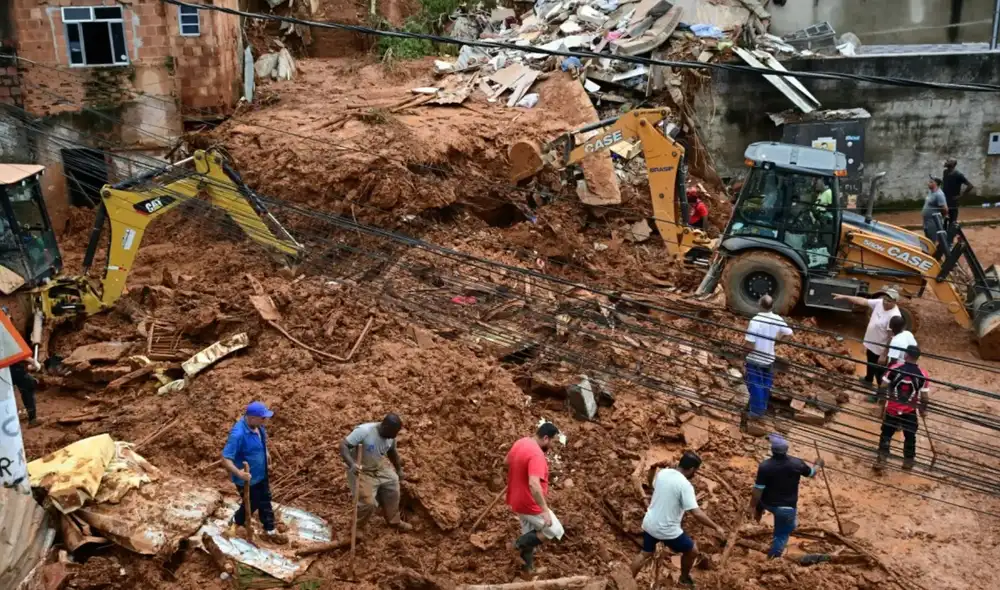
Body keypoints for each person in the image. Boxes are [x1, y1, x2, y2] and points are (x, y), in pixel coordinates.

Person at [631, 451, 726, 586]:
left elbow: (650, 482)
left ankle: (626, 581)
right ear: (692, 469)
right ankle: (684, 578)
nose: (695, 474)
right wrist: (716, 527)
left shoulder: (663, 473)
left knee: (644, 553)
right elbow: (696, 513)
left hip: (650, 523)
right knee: (692, 551)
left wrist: (652, 468)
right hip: (666, 530)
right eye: (696, 471)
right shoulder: (685, 485)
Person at [221, 401, 287, 544]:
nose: (265, 420)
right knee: (252, 502)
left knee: (265, 499)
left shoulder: (259, 427)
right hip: (247, 478)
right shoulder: (238, 435)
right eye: (263, 418)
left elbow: (262, 442)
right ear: (251, 418)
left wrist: (266, 453)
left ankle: (269, 529)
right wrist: (239, 473)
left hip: (261, 474)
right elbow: (226, 459)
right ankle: (237, 520)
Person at [747, 434, 822, 558]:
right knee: (781, 535)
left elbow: (758, 490)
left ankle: (754, 525)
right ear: (787, 449)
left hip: (767, 502)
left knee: (760, 506)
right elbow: (811, 474)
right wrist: (818, 464)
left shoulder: (765, 466)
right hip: (786, 509)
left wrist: (751, 507)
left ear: (772, 450)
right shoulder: (797, 463)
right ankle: (773, 561)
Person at [506, 422, 563, 579]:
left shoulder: (521, 442)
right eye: (553, 442)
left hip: (515, 499)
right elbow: (534, 484)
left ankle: (527, 570)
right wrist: (544, 510)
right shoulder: (537, 455)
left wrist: (518, 472)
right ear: (546, 438)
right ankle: (516, 545)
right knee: (554, 530)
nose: (552, 446)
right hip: (529, 503)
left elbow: (507, 461)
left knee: (529, 533)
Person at [340, 414, 412, 532]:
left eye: (396, 433)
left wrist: (399, 470)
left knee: (393, 483)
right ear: (385, 426)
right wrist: (351, 464)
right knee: (368, 503)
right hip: (360, 470)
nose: (394, 436)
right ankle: (356, 528)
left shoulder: (390, 436)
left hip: (377, 467)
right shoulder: (365, 431)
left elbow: (392, 452)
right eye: (393, 432)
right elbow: (343, 445)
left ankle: (394, 521)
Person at [832, 290, 902, 389]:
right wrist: (844, 296)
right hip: (871, 344)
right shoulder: (879, 303)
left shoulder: (894, 316)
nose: (885, 302)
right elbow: (863, 301)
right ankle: (868, 380)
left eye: (889, 301)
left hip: (880, 349)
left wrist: (884, 355)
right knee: (870, 362)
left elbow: (891, 337)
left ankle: (880, 394)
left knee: (880, 373)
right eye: (885, 299)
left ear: (895, 302)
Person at [877, 345, 929, 471]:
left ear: (905, 355)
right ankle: (908, 462)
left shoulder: (894, 369)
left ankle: (881, 460)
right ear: (917, 358)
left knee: (886, 434)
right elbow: (924, 397)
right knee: (910, 436)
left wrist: (882, 402)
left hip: (892, 410)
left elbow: (883, 387)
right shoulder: (923, 374)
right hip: (909, 411)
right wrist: (923, 409)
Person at [744, 295, 793, 418]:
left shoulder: (755, 321)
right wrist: (776, 342)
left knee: (756, 385)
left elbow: (749, 344)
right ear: (772, 306)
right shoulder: (777, 319)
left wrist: (742, 355)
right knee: (765, 385)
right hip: (769, 358)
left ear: (759, 305)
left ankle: (756, 412)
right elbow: (789, 333)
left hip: (755, 359)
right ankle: (762, 407)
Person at [942, 159, 974, 228]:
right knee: (943, 221)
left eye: (949, 161)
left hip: (953, 202)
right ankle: (944, 236)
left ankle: (951, 236)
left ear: (953, 164)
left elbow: (970, 186)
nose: (947, 162)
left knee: (952, 222)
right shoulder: (945, 172)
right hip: (944, 201)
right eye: (947, 160)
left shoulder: (958, 175)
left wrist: (961, 196)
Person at [921, 178, 948, 243]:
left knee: (932, 240)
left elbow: (945, 209)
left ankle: (934, 252)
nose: (928, 183)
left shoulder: (939, 195)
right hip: (927, 221)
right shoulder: (931, 192)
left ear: (935, 184)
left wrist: (941, 218)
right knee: (927, 239)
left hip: (933, 222)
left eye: (931, 182)